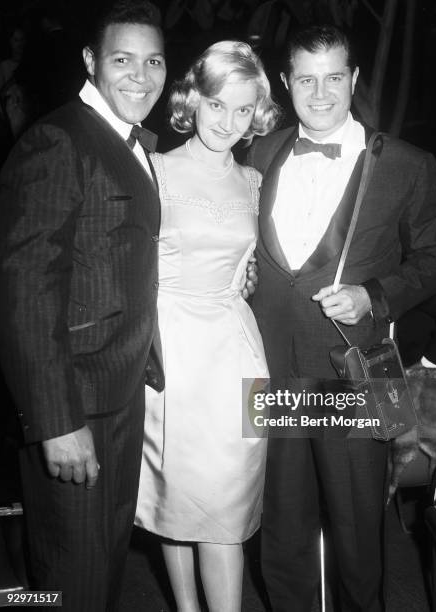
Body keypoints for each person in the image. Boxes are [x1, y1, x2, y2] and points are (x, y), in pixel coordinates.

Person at [246, 24, 436, 612]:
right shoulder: (260, 151)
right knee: (281, 524)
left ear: (354, 79)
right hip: (272, 367)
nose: (320, 94)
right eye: (306, 80)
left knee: (358, 528)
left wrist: (377, 294)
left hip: (353, 369)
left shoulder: (405, 164)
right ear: (286, 83)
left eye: (334, 77)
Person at [0, 2, 166, 610]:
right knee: (73, 577)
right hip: (75, 406)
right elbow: (23, 290)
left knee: (100, 570)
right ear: (92, 62)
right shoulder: (57, 140)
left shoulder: (127, 142)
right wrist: (56, 422)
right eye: (123, 59)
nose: (140, 76)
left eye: (153, 61)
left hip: (118, 396)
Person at [134, 40, 279, 612]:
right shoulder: (154, 170)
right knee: (176, 495)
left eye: (243, 109)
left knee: (225, 505)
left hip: (235, 350)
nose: (227, 120)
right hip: (171, 349)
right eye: (217, 104)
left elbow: (251, 267)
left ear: (256, 116)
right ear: (194, 100)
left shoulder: (253, 181)